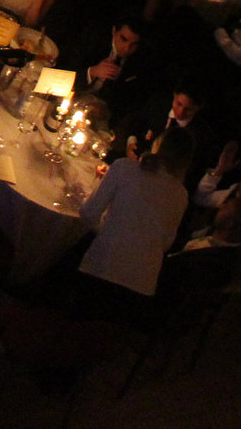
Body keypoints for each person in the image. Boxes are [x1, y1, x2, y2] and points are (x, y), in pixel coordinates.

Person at [75, 131, 193, 315]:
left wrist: (110, 223)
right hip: (141, 288)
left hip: (101, 272)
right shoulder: (181, 195)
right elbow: (165, 243)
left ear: (157, 146)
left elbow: (88, 213)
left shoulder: (124, 167)